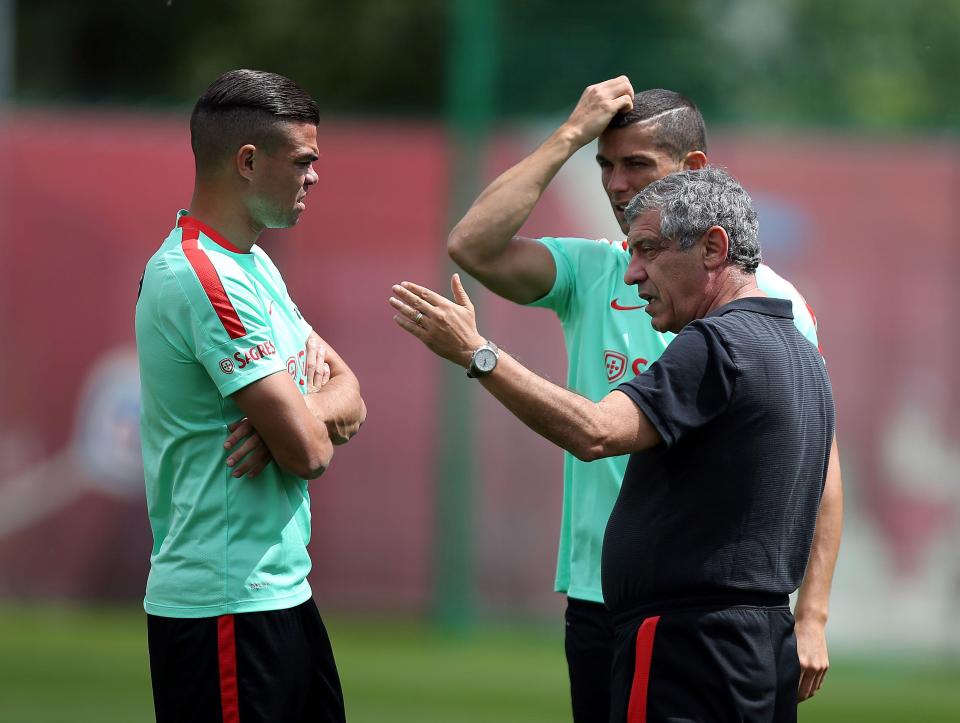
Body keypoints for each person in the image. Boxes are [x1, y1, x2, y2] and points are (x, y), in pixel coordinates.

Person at [446, 77, 842, 720]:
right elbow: (472, 246)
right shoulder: (598, 270)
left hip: (701, 606)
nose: (616, 183)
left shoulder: (768, 305)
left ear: (693, 171)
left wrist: (815, 613)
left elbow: (818, 462)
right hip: (602, 597)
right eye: (603, 165)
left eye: (636, 164)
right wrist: (570, 133)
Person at [136, 69, 366, 723]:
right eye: (303, 160)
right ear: (246, 160)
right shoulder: (201, 275)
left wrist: (298, 413)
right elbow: (309, 452)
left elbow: (352, 393)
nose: (315, 176)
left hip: (281, 594)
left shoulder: (254, 265)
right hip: (224, 607)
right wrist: (299, 420)